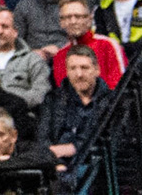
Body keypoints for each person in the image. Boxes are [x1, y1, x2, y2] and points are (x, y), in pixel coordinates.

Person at [35, 46, 113, 177]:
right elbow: (42, 138)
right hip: (55, 168)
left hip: (96, 169)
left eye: (84, 68)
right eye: (73, 68)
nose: (79, 74)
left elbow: (107, 140)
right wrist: (56, 163)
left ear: (97, 70)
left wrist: (74, 148)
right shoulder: (53, 99)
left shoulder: (111, 101)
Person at [51, 0, 125, 90]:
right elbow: (64, 94)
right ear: (61, 23)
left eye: (78, 16)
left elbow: (120, 87)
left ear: (89, 19)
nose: (73, 22)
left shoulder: (108, 45)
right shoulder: (60, 56)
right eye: (68, 17)